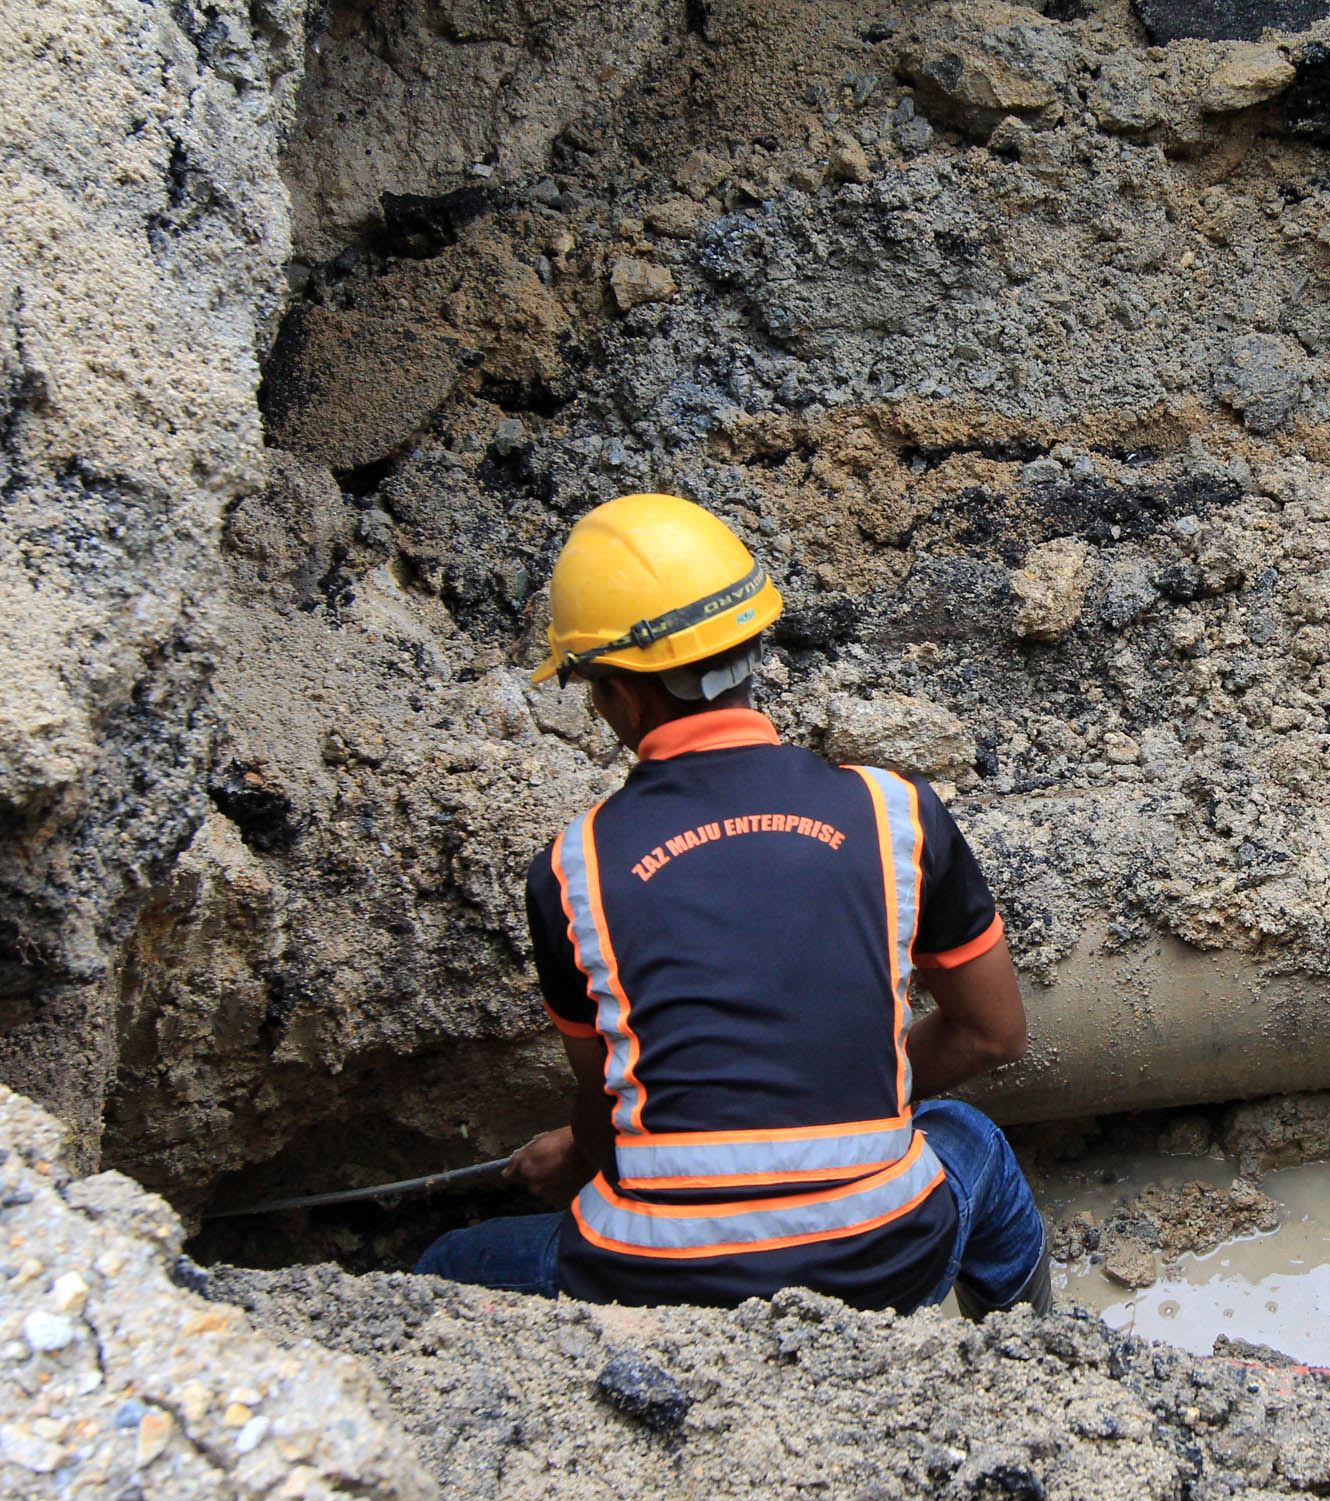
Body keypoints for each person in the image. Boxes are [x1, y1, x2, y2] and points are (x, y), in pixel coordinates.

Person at [416, 494, 1052, 1318]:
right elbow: (993, 1034)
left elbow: (609, 1109)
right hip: (887, 1259)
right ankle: (1033, 1361)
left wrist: (574, 1157)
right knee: (978, 1150)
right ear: (749, 646)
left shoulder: (571, 870)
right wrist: (863, 1096)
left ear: (624, 698)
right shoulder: (898, 812)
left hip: (653, 1285)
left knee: (441, 1269)